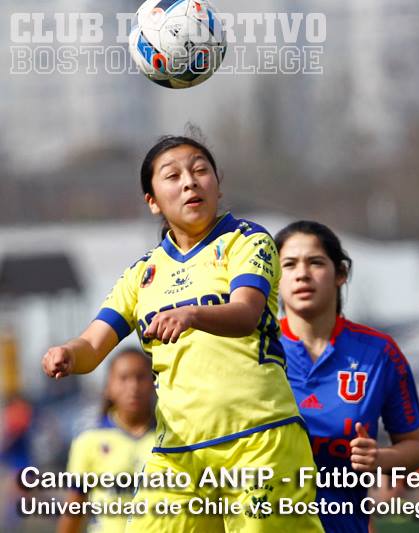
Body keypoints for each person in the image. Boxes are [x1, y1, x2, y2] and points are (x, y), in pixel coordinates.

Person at [41, 134, 323, 533]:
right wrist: (67, 354)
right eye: (173, 175)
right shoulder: (142, 275)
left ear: (218, 184)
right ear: (152, 201)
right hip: (179, 450)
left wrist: (193, 314)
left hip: (260, 439)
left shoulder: (246, 240)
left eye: (200, 170)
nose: (190, 182)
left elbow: (246, 312)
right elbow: (91, 344)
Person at [275, 220, 419, 533]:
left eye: (315, 262)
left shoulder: (379, 353)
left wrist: (379, 459)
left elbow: (413, 448)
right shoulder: (254, 349)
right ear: (275, 278)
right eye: (289, 264)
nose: (302, 273)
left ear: (340, 273)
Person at [58, 348, 155, 533]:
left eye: (140, 377)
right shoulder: (89, 441)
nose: (133, 387)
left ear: (153, 383)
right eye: (124, 378)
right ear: (109, 386)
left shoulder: (170, 440)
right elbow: (74, 509)